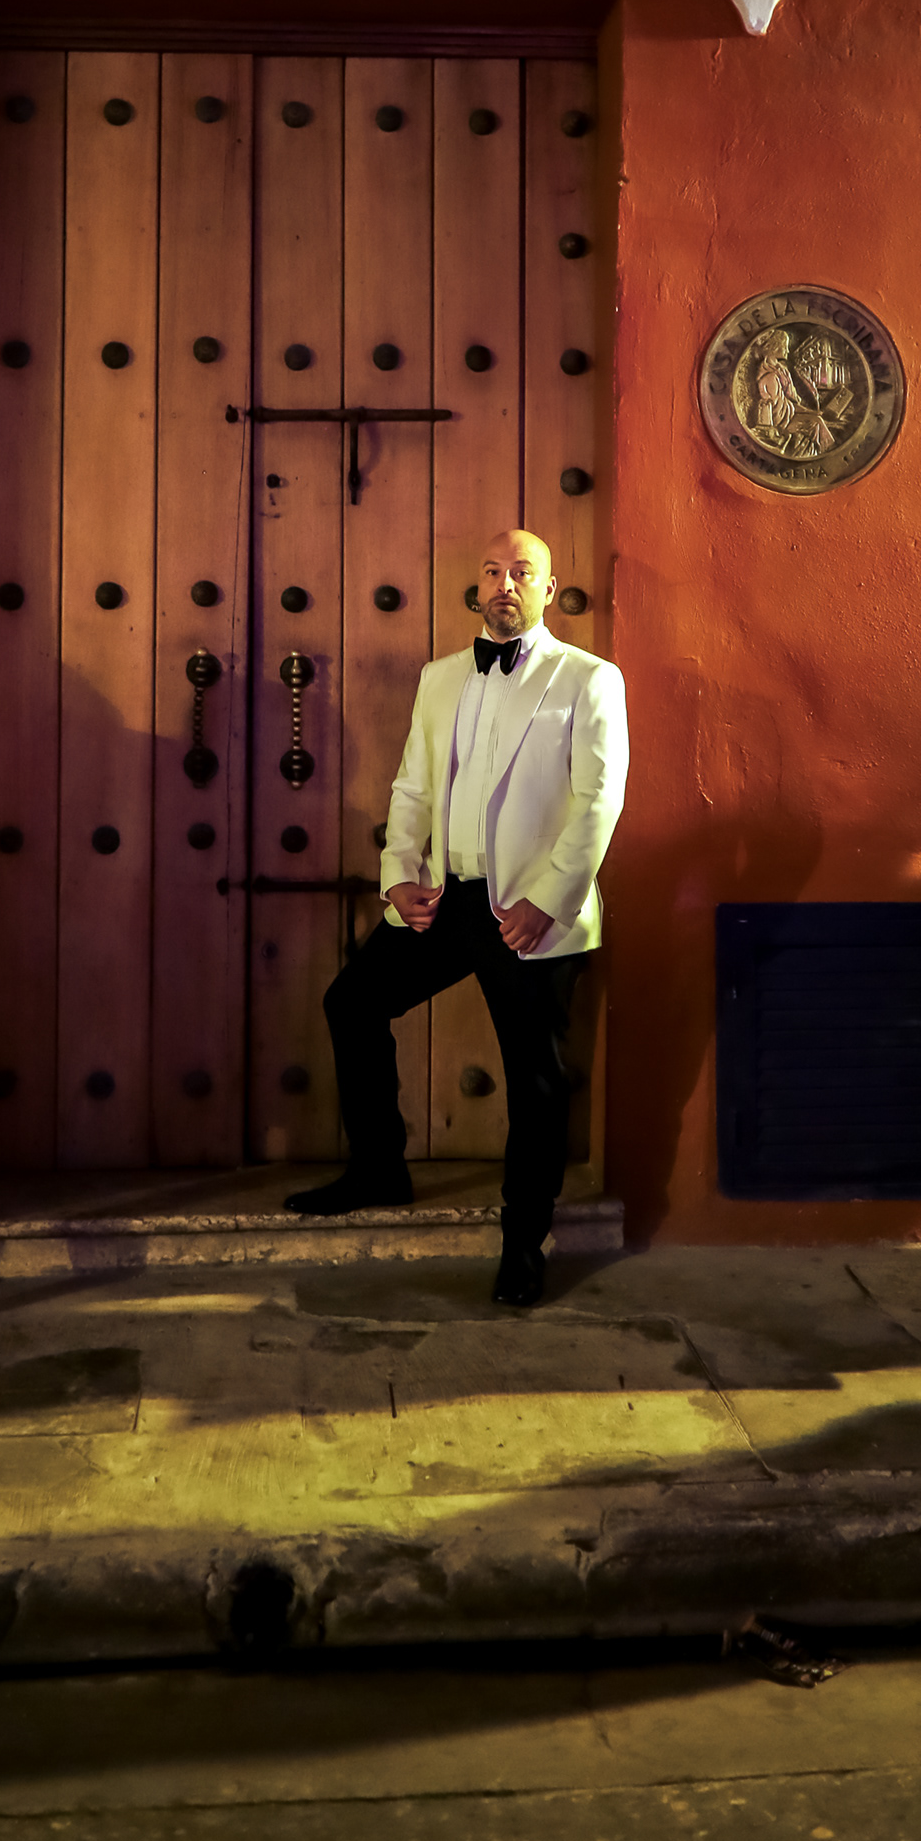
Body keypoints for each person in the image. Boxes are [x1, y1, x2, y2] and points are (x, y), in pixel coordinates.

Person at [287, 529, 628, 1309]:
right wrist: (398, 878)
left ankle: (524, 1244)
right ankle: (379, 1168)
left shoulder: (588, 679)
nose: (505, 584)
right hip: (446, 898)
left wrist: (549, 898)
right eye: (493, 571)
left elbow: (598, 799)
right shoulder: (440, 677)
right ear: (477, 587)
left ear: (549, 590)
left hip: (530, 911)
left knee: (535, 1080)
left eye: (523, 572)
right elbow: (412, 787)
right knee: (352, 1003)